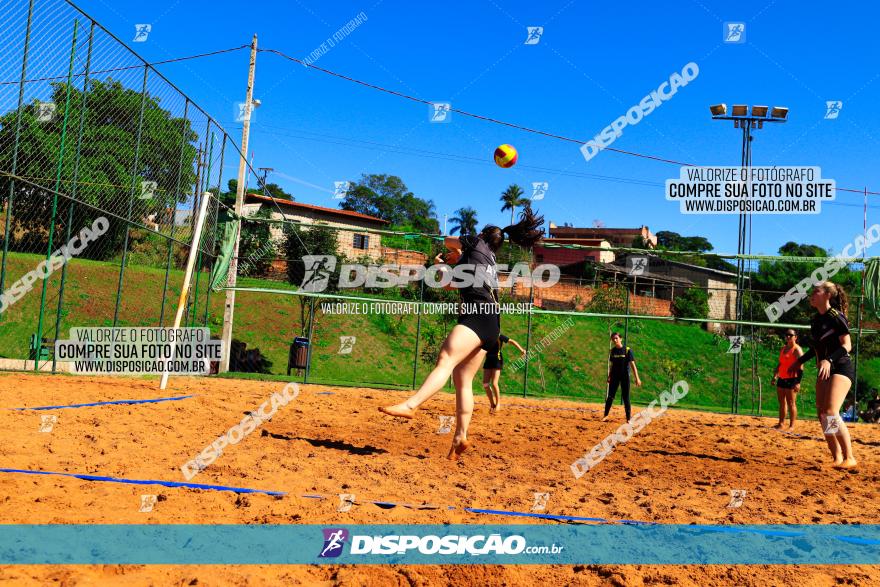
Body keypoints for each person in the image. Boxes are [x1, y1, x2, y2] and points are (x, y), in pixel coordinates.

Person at [380, 207, 544, 460]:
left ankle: (411, 405)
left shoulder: (475, 242)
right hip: (490, 323)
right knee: (463, 381)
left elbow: (447, 239)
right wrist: (446, 264)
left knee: (446, 360)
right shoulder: (487, 260)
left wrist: (457, 251)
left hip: (477, 316)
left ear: (482, 236)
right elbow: (448, 284)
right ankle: (460, 437)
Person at [794, 281, 857, 469]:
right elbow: (816, 347)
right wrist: (799, 361)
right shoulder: (816, 320)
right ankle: (837, 457)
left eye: (816, 291)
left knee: (831, 412)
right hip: (824, 370)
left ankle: (850, 457)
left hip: (840, 367)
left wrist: (829, 360)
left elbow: (847, 345)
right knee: (823, 415)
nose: (811, 294)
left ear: (827, 295)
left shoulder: (836, 317)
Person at [601, 332, 642, 422]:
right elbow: (612, 365)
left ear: (621, 339)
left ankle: (628, 419)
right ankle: (605, 415)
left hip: (625, 377)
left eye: (616, 338)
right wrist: (609, 376)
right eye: (613, 339)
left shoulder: (627, 350)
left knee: (626, 397)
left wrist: (637, 378)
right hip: (615, 376)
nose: (615, 340)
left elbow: (633, 365)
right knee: (610, 396)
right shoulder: (612, 351)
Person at [482, 332, 526, 413]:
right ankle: (492, 404)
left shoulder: (499, 335)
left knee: (494, 383)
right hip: (488, 360)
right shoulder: (485, 335)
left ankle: (498, 404)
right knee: (485, 384)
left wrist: (521, 350)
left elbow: (512, 341)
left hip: (497, 359)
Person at [770, 329, 804, 429]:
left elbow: (801, 367)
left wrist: (798, 382)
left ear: (795, 337)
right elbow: (781, 363)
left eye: (791, 335)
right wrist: (775, 376)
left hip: (792, 379)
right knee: (782, 402)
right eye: (786, 335)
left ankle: (792, 426)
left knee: (791, 403)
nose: (788, 337)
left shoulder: (797, 349)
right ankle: (781, 423)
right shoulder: (783, 348)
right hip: (782, 378)